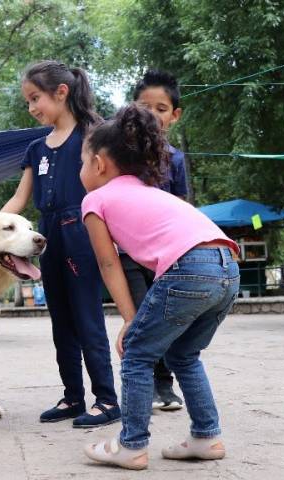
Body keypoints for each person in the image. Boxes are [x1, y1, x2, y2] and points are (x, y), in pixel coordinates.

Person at [79, 104, 239, 470]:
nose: (81, 171)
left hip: (190, 267)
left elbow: (109, 264)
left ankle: (131, 445)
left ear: (100, 164)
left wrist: (129, 319)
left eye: (83, 162)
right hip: (228, 265)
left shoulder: (95, 199)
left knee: (136, 354)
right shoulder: (152, 191)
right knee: (182, 355)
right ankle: (206, 436)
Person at [1, 61, 120, 428]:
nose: (32, 107)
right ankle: (72, 397)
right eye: (28, 101)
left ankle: (106, 399)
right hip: (46, 237)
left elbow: (110, 186)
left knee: (88, 318)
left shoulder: (93, 135)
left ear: (62, 92)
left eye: (35, 98)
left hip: (83, 230)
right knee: (61, 322)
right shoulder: (36, 149)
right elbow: (19, 199)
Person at [124, 69, 189, 411]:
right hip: (129, 255)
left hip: (165, 258)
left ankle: (165, 386)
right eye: (144, 107)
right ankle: (141, 386)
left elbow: (182, 208)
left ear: (174, 115)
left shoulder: (176, 159)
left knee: (164, 320)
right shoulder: (122, 156)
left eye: (161, 109)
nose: (152, 115)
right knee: (138, 319)